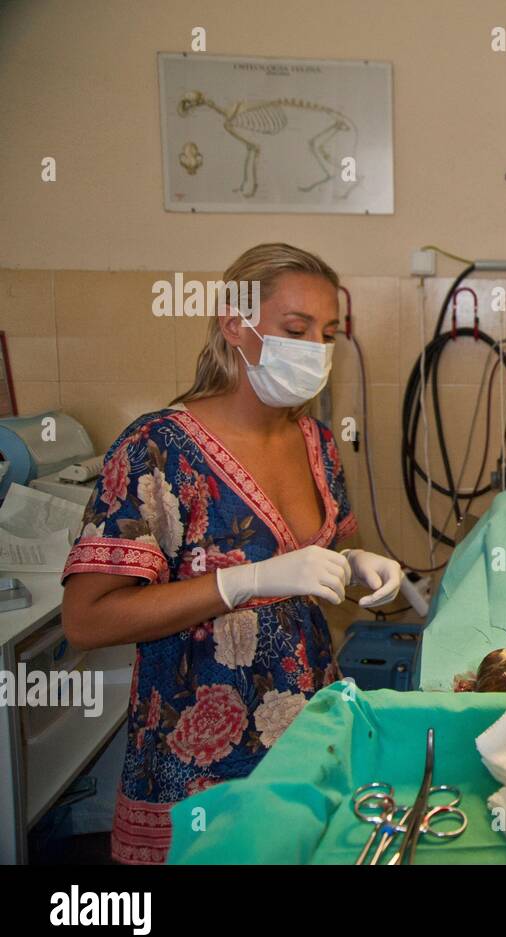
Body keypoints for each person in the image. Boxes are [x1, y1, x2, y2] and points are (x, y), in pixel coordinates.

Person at [60, 242, 401, 863]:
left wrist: (352, 563)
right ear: (234, 324)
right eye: (296, 330)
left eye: (327, 334)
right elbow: (87, 620)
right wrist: (238, 582)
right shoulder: (158, 449)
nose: (315, 350)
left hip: (306, 731)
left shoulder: (315, 442)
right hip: (198, 749)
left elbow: (310, 555)